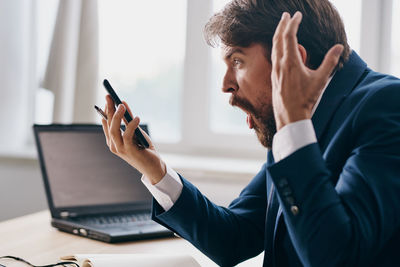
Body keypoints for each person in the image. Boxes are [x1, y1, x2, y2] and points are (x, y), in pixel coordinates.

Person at [101, 0, 400, 266]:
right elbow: (234, 238)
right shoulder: (292, 125)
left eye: (238, 61)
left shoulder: (386, 105)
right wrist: (156, 171)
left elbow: (336, 255)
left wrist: (293, 127)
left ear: (292, 58)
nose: (226, 85)